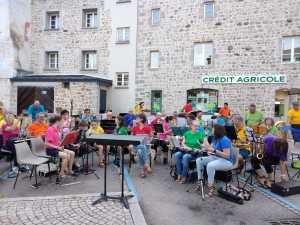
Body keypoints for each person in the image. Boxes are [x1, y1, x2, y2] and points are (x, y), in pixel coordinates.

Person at [195, 124, 233, 198]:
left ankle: (211, 187)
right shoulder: (215, 138)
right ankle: (200, 181)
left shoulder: (225, 140)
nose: (211, 130)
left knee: (210, 166)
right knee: (199, 160)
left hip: (226, 161)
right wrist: (204, 147)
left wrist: (215, 151)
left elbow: (227, 155)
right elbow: (210, 148)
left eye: (213, 129)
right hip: (216, 158)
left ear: (217, 130)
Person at [175, 120, 209, 184]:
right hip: (187, 150)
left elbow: (207, 145)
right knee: (177, 154)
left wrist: (202, 146)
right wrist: (187, 148)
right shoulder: (187, 133)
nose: (197, 127)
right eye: (195, 126)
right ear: (191, 126)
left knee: (185, 157)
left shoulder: (201, 135)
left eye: (198, 126)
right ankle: (179, 174)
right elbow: (183, 143)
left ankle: (184, 176)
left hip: (196, 153)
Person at [127, 113, 153, 178]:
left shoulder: (147, 127)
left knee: (140, 151)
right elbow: (131, 136)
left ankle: (142, 170)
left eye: (137, 118)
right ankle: (147, 164)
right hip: (136, 146)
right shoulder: (135, 127)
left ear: (142, 119)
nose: (136, 119)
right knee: (142, 147)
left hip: (145, 147)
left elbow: (152, 137)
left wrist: (149, 141)